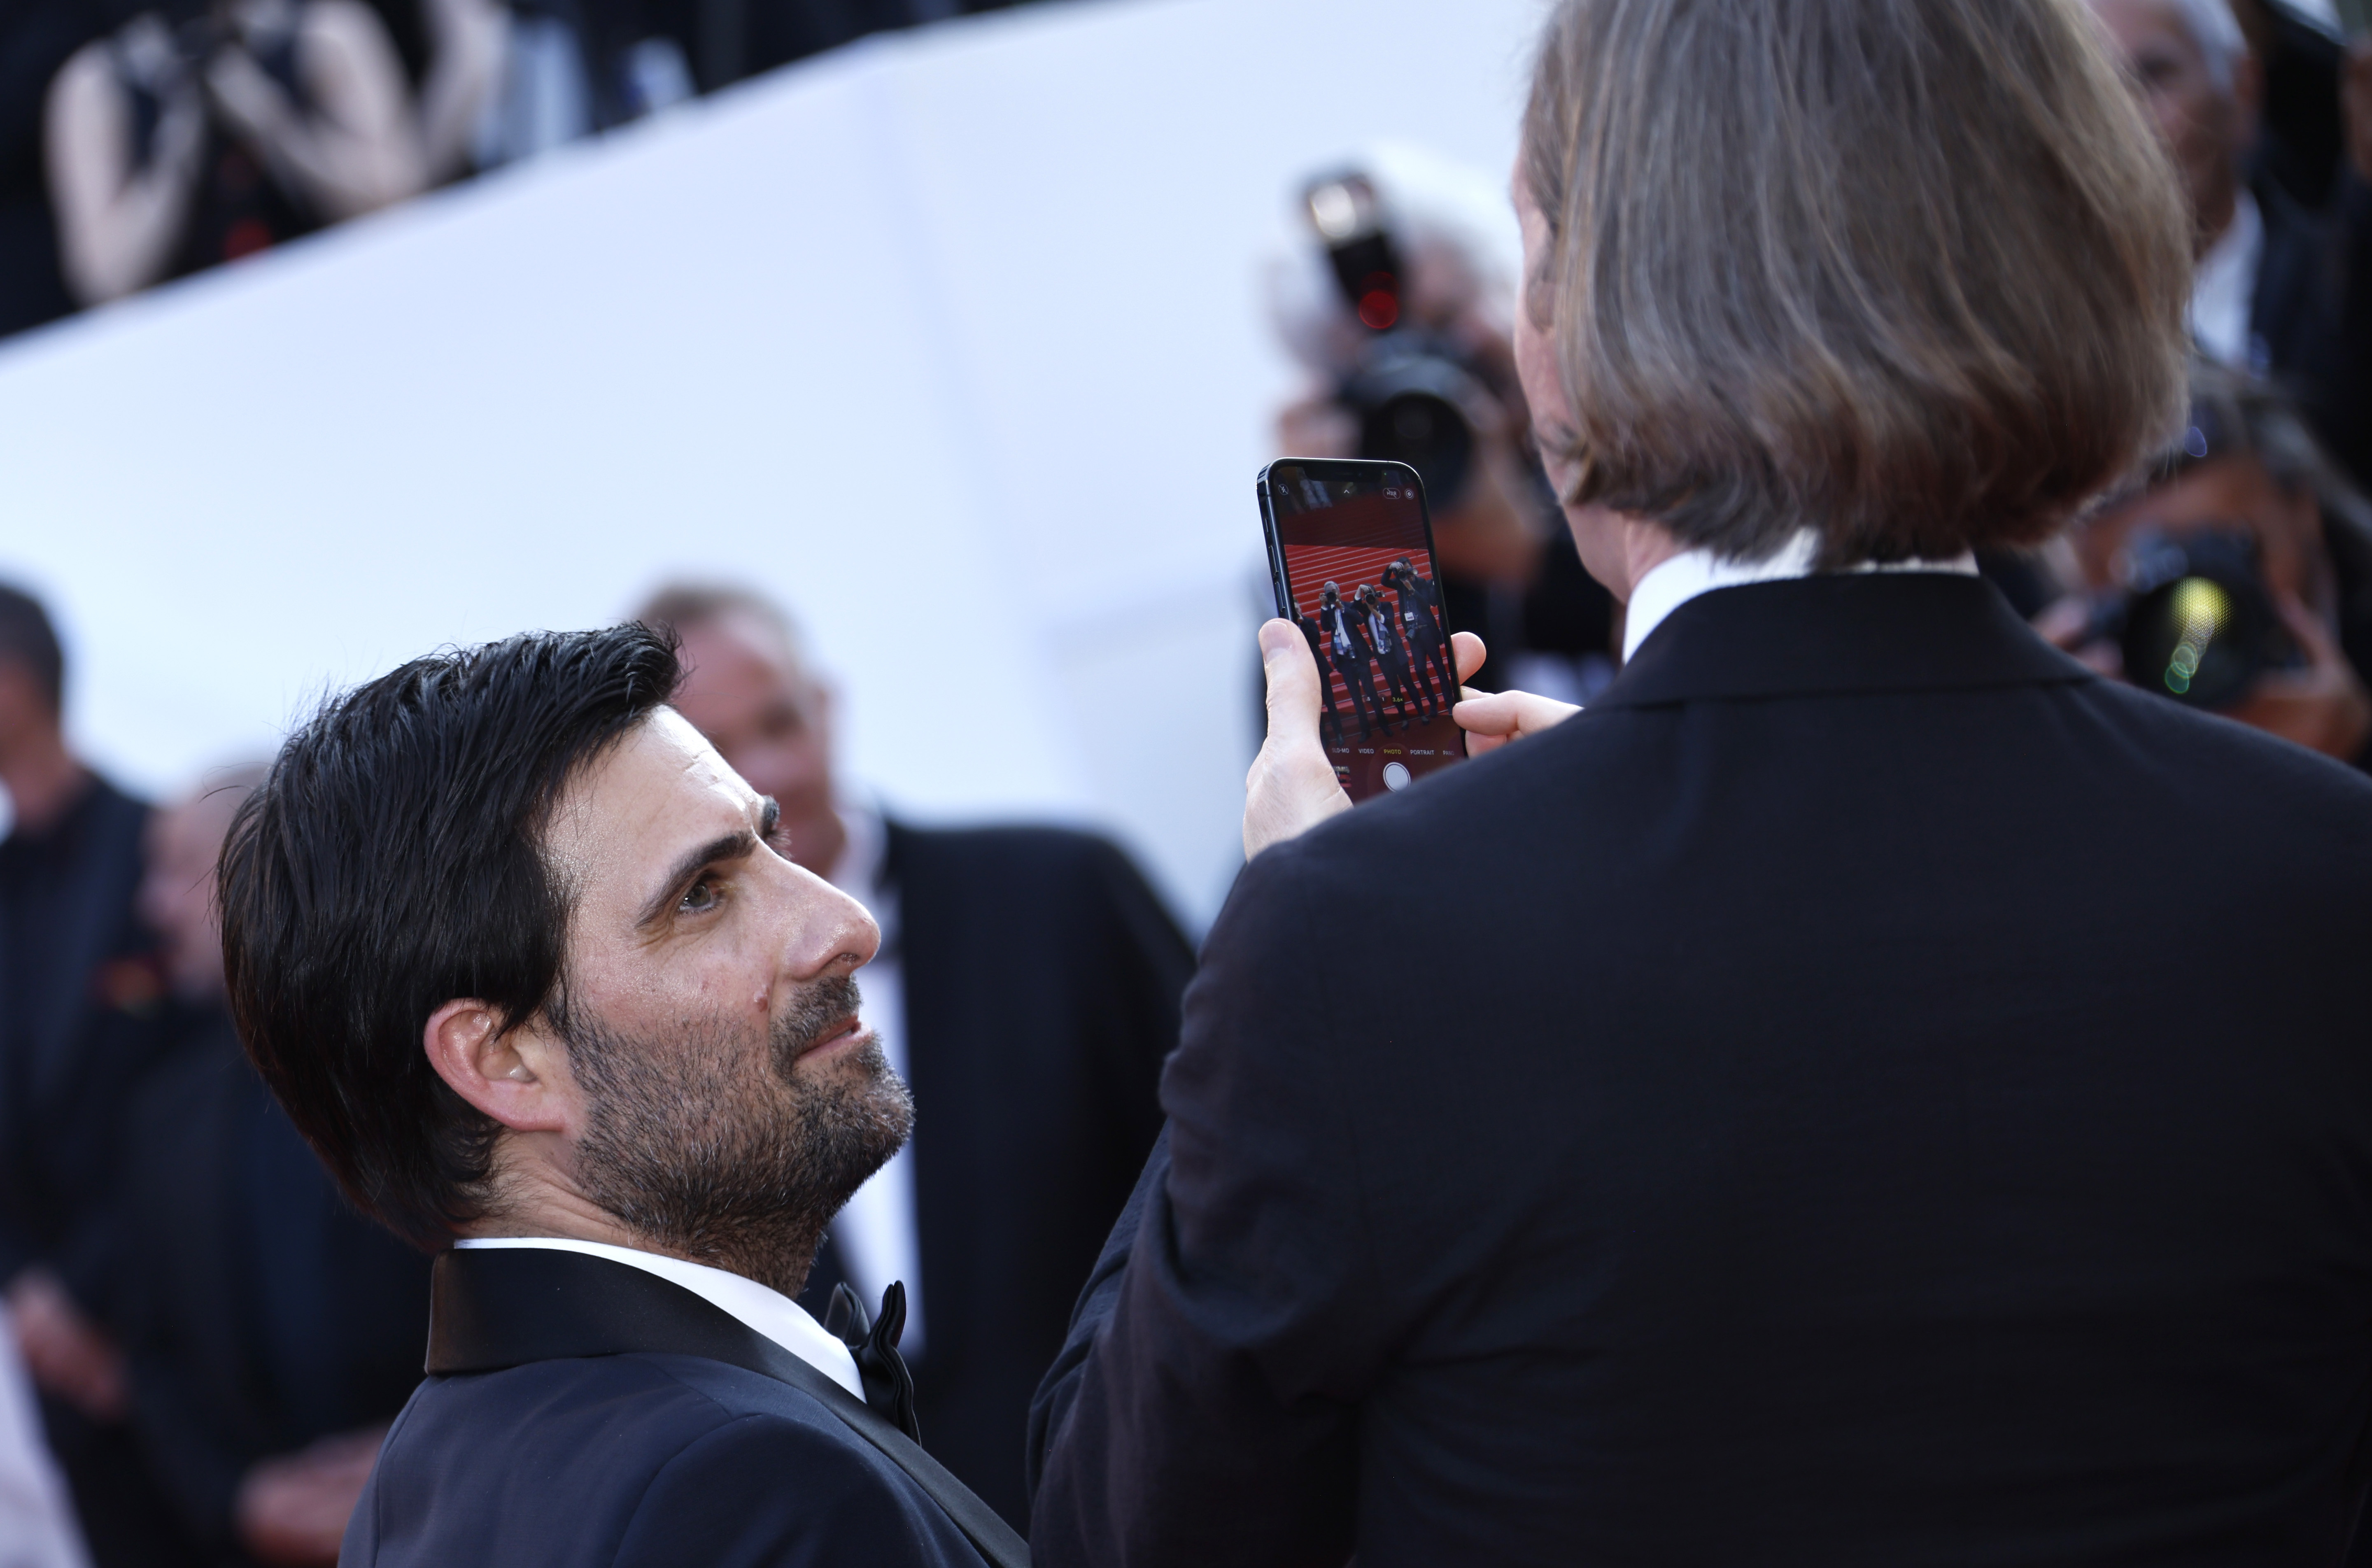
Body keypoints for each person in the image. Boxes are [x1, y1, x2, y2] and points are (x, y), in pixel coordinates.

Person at [1028, 0, 2372, 1562]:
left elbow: (1125, 1528)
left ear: (1568, 332)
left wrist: (1281, 939)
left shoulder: (1362, 941)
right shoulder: (2320, 865)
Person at [215, 624, 1025, 1568]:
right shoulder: (742, 1491)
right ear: (505, 1061)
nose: (843, 925)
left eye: (773, 844)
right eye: (701, 895)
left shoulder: (417, 1492)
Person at [631, 583, 1192, 1532]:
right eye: (722, 752)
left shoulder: (1064, 891)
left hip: (1168, 1488)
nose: (771, 772)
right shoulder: (663, 1031)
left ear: (828, 705)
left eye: (781, 720)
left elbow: (1236, 1152)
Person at [117, 765, 429, 1568]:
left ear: (270, 874)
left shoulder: (429, 1069)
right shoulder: (162, 1113)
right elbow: (151, 1352)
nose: (151, 907)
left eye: (176, 867)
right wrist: (237, 1498)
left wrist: (430, 1455)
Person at [0, 583, 186, 1568]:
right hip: (45, 1343)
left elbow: (178, 1095)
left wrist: (89, 1292)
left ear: (15, 683)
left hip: (164, 1325)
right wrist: (28, 1289)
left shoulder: (157, 858)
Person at [2086, 0, 2372, 485]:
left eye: (2153, 76)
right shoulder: (2060, 352)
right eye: (2094, 97)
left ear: (2242, 92)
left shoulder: (2346, 279)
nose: (2125, 123)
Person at [2036, 358, 2372, 767]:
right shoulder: (2081, 720)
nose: (2197, 631)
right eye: (2147, 582)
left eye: (2230, 553)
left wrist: (2355, 758)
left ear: (2303, 511)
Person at [45, 0, 424, 307]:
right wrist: (176, 155)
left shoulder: (324, 31)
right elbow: (103, 281)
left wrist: (274, 125)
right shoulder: (99, 83)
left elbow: (396, 197)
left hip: (340, 308)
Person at [1315, 580, 1384, 739]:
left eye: (1335, 591)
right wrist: (1324, 606)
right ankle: (1365, 731)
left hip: (1359, 657)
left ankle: (1383, 724)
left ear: (1339, 592)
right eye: (1330, 593)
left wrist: (1342, 608)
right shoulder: (1329, 611)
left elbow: (1360, 620)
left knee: (1371, 691)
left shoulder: (1349, 606)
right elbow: (1325, 627)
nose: (1334, 594)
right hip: (1344, 661)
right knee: (1356, 697)